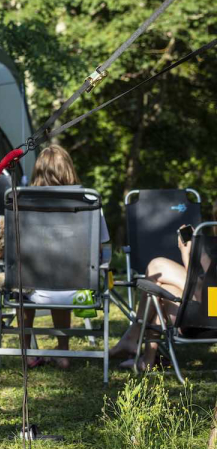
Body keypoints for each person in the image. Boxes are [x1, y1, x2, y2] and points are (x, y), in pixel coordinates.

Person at [19, 145, 111, 370]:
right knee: (60, 276)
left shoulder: (22, 200)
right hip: (76, 288)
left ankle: (26, 355)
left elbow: (15, 247)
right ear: (69, 169)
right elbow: (101, 247)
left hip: (33, 289)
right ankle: (63, 353)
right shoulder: (89, 199)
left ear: (38, 171)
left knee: (23, 282)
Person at [108, 223, 194, 371]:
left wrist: (187, 253)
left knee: (157, 265)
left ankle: (132, 335)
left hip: (209, 310)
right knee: (161, 290)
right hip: (207, 308)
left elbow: (204, 288)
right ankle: (147, 359)